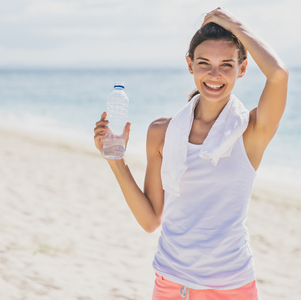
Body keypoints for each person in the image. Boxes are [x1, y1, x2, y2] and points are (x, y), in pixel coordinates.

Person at [94, 7, 288, 300]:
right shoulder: (162, 133)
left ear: (243, 68)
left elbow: (278, 74)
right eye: (204, 63)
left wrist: (231, 24)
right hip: (170, 282)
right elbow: (150, 221)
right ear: (190, 65)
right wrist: (116, 161)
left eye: (226, 64)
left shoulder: (250, 132)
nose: (214, 74)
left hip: (230, 286)